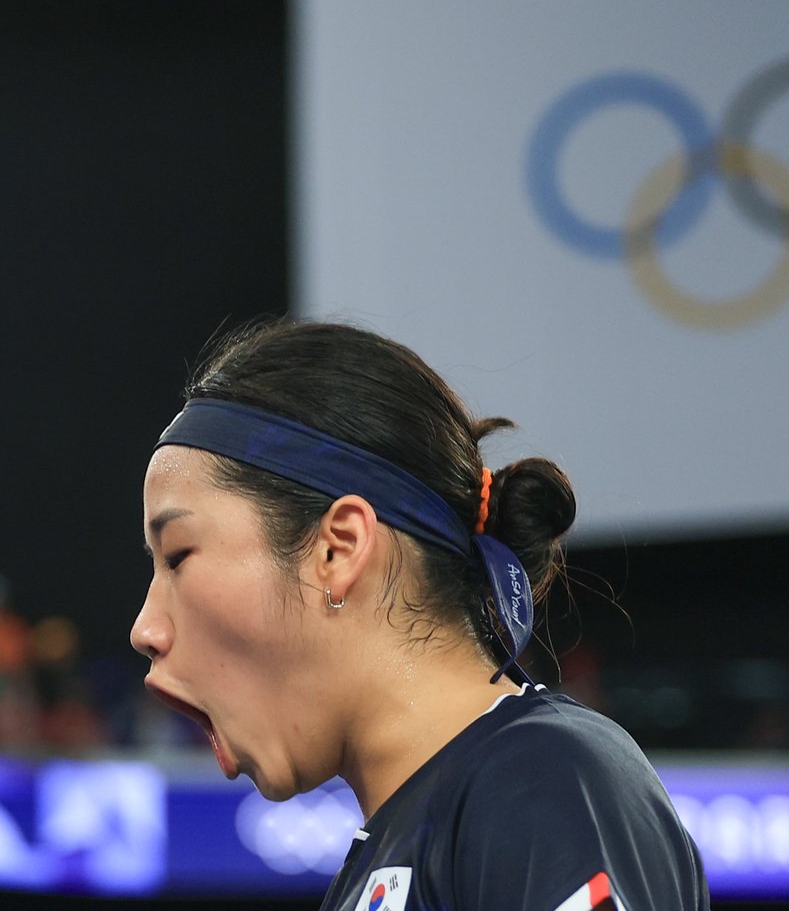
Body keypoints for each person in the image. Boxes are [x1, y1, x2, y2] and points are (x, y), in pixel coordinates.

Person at [130, 320, 708, 911]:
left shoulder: (542, 779)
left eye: (178, 556)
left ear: (339, 548)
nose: (144, 629)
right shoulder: (396, 848)